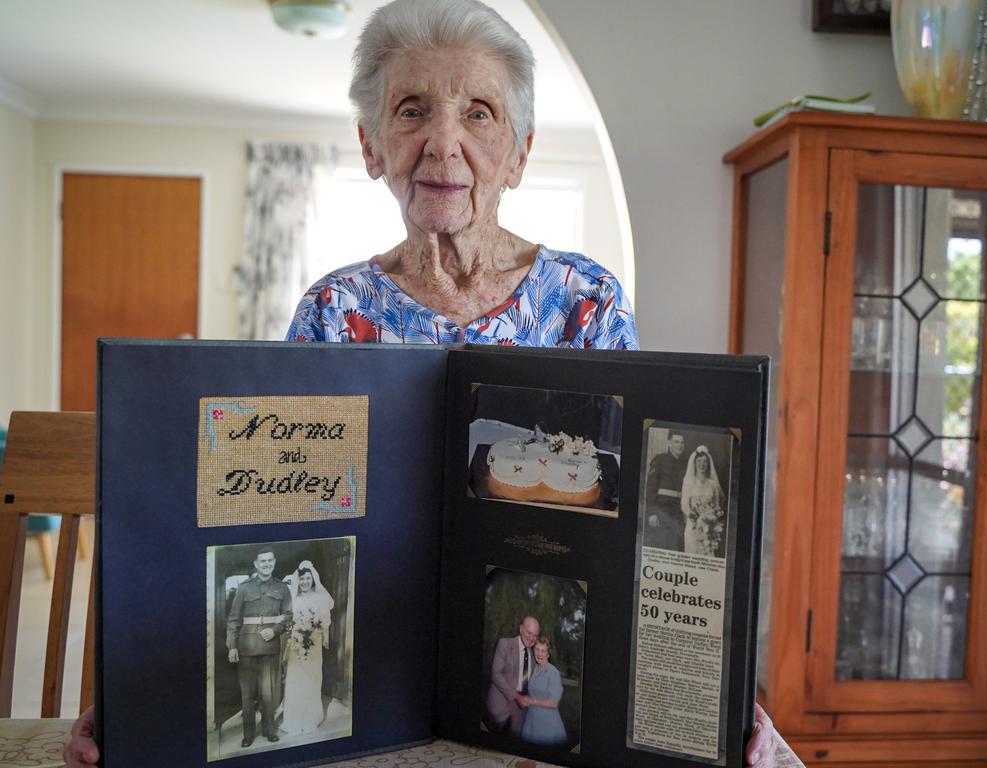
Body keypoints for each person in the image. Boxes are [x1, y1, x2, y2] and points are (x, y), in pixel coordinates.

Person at [65, 0, 776, 764]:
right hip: (372, 688)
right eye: (412, 110)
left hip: (538, 688)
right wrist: (141, 699)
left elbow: (638, 534)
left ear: (520, 151)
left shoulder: (586, 300)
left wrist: (720, 701)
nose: (444, 143)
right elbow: (262, 519)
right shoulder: (334, 309)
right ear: (372, 146)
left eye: (479, 112)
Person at [226, 547, 294, 749]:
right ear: (256, 564)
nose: (266, 564)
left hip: (270, 647)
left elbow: (289, 616)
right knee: (247, 694)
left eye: (270, 561)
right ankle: (248, 734)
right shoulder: (244, 588)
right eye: (262, 561)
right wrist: (232, 646)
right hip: (246, 647)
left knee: (269, 692)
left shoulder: (282, 588)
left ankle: (269, 730)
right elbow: (233, 619)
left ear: (274, 562)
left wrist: (274, 631)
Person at [282, 560, 335, 736]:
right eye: (302, 578)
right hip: (296, 644)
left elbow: (325, 622)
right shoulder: (293, 598)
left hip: (313, 645)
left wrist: (319, 634)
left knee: (312, 679)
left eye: (307, 578)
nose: (305, 582)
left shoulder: (320, 598)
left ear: (313, 579)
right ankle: (294, 720)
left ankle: (310, 718)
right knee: (295, 680)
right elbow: (288, 619)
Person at [484, 616, 539, 737]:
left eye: (535, 635)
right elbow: (496, 674)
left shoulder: (534, 656)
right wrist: (517, 696)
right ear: (521, 629)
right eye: (529, 633)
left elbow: (531, 684)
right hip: (500, 708)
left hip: (521, 712)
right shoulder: (505, 644)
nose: (531, 638)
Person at [644, 430, 689, 551]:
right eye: (676, 442)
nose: (680, 445)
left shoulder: (687, 464)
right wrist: (652, 513)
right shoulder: (660, 460)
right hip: (662, 511)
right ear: (669, 442)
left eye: (682, 442)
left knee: (678, 547)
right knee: (663, 545)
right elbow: (651, 488)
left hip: (679, 512)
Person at [681, 446, 727, 557]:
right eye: (699, 461)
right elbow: (685, 504)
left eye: (705, 462)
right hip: (693, 525)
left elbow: (717, 506)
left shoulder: (713, 484)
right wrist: (694, 516)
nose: (702, 464)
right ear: (694, 463)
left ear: (708, 464)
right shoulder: (688, 482)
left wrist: (713, 519)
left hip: (709, 527)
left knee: (707, 554)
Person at [521, 636, 567, 747]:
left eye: (543, 651)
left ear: (548, 654)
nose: (539, 654)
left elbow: (553, 703)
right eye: (537, 649)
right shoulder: (534, 669)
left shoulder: (553, 673)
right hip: (531, 721)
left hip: (547, 725)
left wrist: (531, 701)